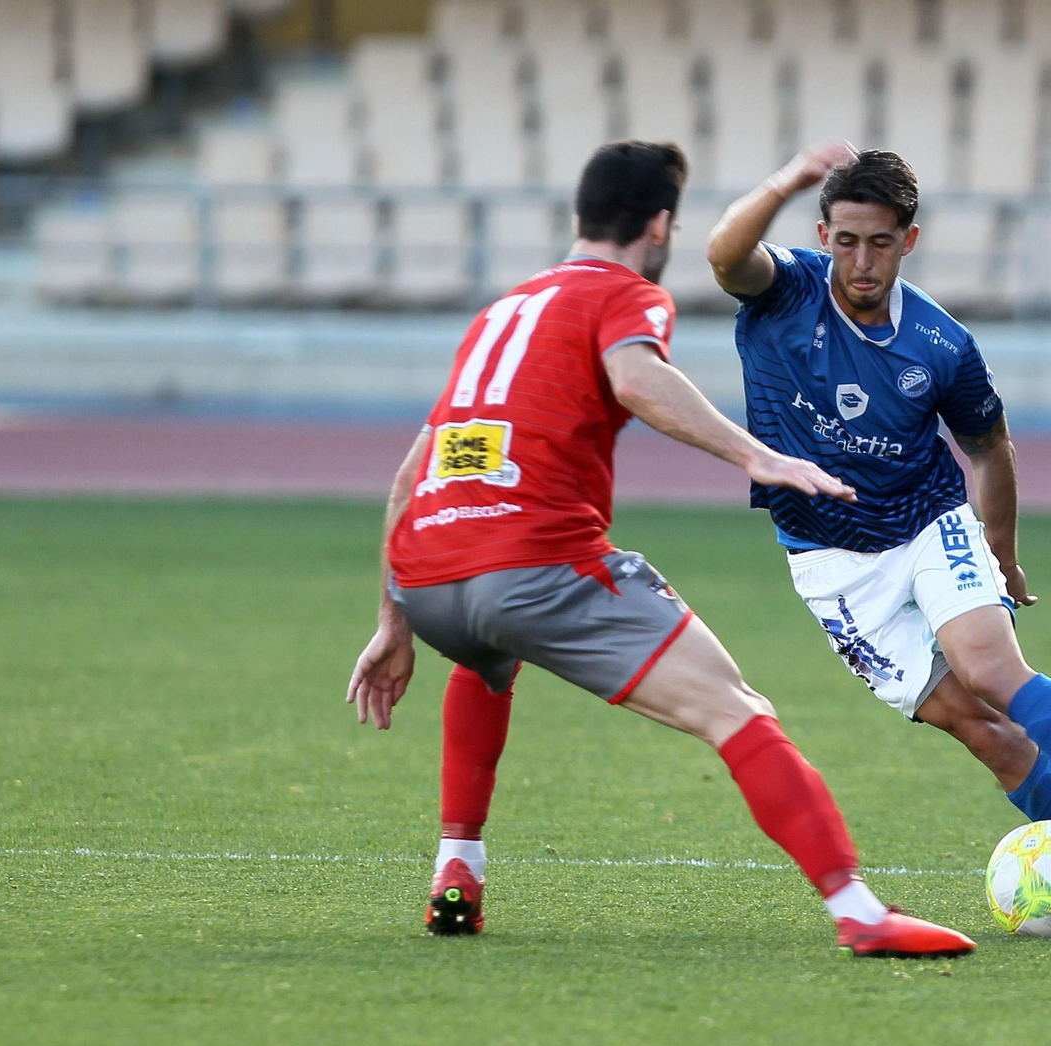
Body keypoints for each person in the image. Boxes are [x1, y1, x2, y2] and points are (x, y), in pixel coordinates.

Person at [345, 139, 974, 958]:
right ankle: (859, 912)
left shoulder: (502, 313)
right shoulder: (624, 293)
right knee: (739, 711)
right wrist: (759, 455)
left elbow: (414, 470)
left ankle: (457, 866)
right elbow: (637, 379)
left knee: (486, 656)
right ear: (660, 226)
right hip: (537, 569)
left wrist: (396, 619)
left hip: (431, 578)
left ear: (578, 216)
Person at [705, 142, 1051, 936]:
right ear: (821, 235)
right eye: (845, 240)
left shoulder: (941, 344)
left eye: (879, 242)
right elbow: (722, 253)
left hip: (925, 523)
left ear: (908, 240)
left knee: (993, 670)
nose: (862, 261)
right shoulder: (784, 292)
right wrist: (788, 177)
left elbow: (990, 447)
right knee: (988, 737)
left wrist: (1003, 554)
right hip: (830, 563)